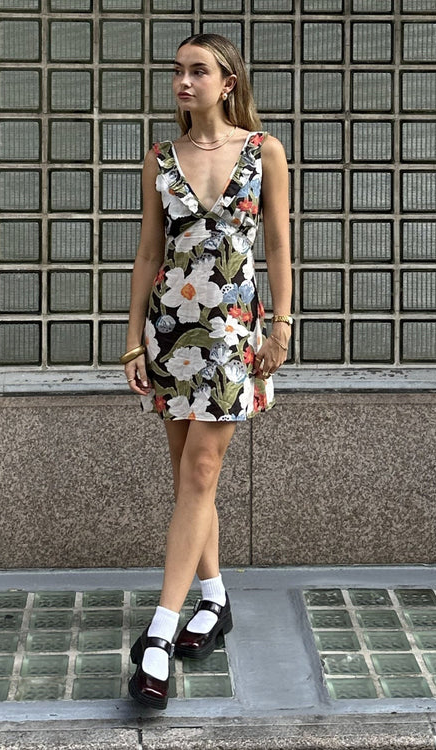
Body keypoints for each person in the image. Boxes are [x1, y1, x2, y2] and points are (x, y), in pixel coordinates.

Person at [121, 33, 292, 710]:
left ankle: (158, 636)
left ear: (228, 82)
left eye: (198, 71)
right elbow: (145, 255)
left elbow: (277, 243)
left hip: (233, 338)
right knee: (189, 478)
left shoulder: (263, 152)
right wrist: (133, 340)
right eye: (177, 72)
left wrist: (281, 327)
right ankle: (214, 599)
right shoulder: (161, 160)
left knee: (199, 475)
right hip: (171, 334)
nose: (183, 82)